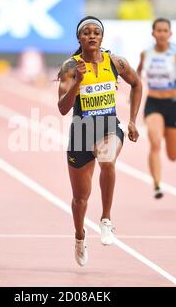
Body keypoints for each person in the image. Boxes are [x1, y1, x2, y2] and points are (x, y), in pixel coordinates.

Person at [57, 16, 142, 266]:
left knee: (107, 160)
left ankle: (106, 220)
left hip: (108, 127)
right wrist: (78, 83)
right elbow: (62, 108)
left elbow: (137, 84)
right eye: (86, 32)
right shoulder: (70, 67)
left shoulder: (116, 62)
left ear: (102, 37)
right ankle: (80, 237)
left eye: (96, 32)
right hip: (81, 131)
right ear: (79, 38)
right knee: (80, 199)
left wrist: (133, 120)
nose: (92, 36)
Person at [136, 18, 176, 199]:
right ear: (153, 33)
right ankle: (157, 184)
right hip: (153, 103)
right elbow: (137, 76)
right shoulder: (145, 54)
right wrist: (133, 89)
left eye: (165, 31)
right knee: (154, 142)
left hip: (172, 104)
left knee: (173, 155)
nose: (162, 34)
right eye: (158, 30)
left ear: (170, 34)